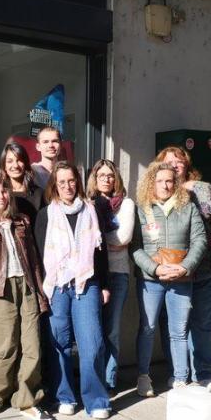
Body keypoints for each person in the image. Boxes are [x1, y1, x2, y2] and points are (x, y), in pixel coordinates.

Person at [0, 176, 53, 420]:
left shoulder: (22, 222)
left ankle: (27, 399)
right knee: (3, 349)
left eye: (4, 192)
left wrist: (40, 294)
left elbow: (35, 262)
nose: (1, 196)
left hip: (26, 287)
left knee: (32, 346)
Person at [34, 161, 112, 419]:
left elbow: (100, 252)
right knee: (59, 343)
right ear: (54, 186)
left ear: (77, 182)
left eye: (71, 181)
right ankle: (64, 396)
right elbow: (38, 253)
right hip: (57, 285)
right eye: (62, 182)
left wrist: (105, 285)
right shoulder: (46, 214)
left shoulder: (92, 210)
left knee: (92, 343)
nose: (67, 186)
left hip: (87, 283)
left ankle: (97, 400)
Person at [130, 162, 206, 397]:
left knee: (179, 330)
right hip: (151, 280)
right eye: (160, 180)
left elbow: (200, 240)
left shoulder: (189, 208)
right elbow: (135, 246)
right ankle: (144, 376)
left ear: (176, 183)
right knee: (148, 327)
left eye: (170, 180)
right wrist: (154, 268)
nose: (165, 185)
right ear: (151, 182)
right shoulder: (141, 208)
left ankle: (181, 378)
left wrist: (184, 268)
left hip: (181, 279)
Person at [156, 146, 211, 390]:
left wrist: (197, 194)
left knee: (203, 322)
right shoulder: (158, 189)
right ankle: (178, 372)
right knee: (175, 324)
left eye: (179, 161)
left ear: (187, 164)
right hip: (173, 270)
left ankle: (203, 373)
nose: (175, 164)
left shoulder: (202, 188)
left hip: (204, 267)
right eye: (169, 161)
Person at [86, 159, 135, 395]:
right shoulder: (87, 204)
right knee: (94, 330)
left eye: (110, 175)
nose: (106, 179)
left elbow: (124, 237)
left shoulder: (126, 204)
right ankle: (95, 378)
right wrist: (103, 242)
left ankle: (110, 380)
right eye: (101, 175)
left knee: (112, 329)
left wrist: (99, 242)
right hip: (93, 275)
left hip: (117, 273)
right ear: (94, 178)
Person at [0, 141, 45, 224]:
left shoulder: (38, 194)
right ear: (4, 166)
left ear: (25, 163)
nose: (15, 166)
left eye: (19, 160)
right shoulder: (0, 194)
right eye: (10, 161)